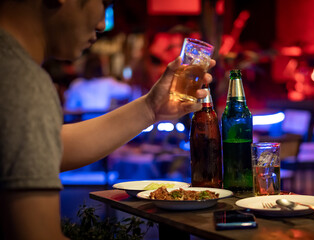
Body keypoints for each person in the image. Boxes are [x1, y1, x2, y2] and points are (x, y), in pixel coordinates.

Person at [0, 0, 215, 239]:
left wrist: (150, 109)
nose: (103, 24)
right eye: (104, 2)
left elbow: (50, 149)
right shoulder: (19, 80)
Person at [64, 53, 132, 121]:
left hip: (83, 123)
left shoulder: (77, 84)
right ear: (101, 68)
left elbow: (70, 109)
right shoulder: (107, 83)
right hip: (103, 122)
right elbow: (127, 90)